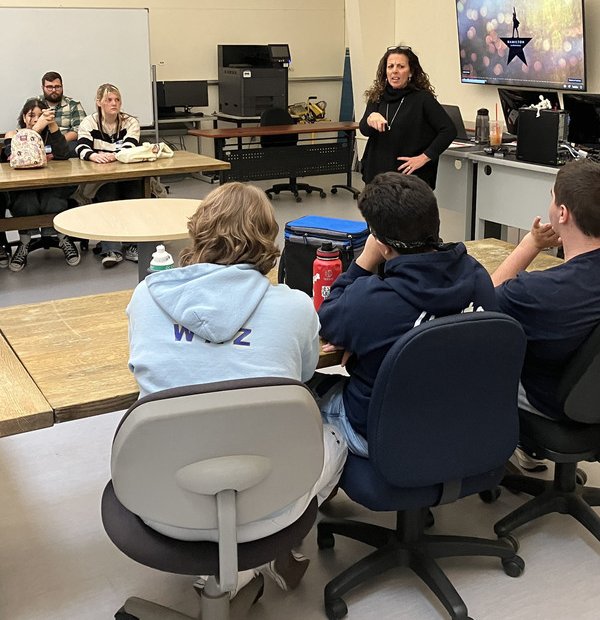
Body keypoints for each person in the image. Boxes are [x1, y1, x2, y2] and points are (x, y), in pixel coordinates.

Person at [127, 181, 347, 591]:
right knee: (335, 435)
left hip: (161, 503)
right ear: (268, 240)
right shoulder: (295, 307)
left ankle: (236, 572)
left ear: (198, 232)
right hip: (272, 506)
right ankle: (258, 558)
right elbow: (300, 378)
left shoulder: (145, 298)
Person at [316, 171, 498, 456]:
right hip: (463, 424)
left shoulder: (370, 301)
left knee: (299, 402)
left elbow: (326, 318)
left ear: (382, 244)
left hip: (385, 433)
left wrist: (364, 262)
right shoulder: (475, 273)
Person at [492, 159, 600, 425]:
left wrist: (530, 243)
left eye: (551, 198)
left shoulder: (539, 292)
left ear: (562, 213)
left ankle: (491, 451)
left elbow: (484, 301)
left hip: (557, 401)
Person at [359, 45, 455, 188]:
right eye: (390, 66)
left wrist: (424, 158)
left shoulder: (423, 99)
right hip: (377, 176)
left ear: (411, 72)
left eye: (401, 66)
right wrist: (369, 119)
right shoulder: (377, 97)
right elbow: (364, 130)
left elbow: (448, 130)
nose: (394, 71)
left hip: (409, 179)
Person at [1, 99, 80, 271]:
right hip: (23, 187)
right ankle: (24, 242)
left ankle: (62, 237)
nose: (36, 119)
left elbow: (64, 154)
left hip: (49, 183)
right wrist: (35, 130)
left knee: (52, 199)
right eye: (31, 115)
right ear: (24, 117)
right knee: (25, 202)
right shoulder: (13, 135)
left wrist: (52, 125)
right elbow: (13, 156)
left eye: (40, 115)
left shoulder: (51, 134)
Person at [75, 84, 141, 268]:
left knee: (135, 196)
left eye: (117, 99)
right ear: (99, 102)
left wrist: (114, 155)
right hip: (101, 176)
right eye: (109, 100)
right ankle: (112, 249)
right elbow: (81, 147)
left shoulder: (130, 122)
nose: (114, 104)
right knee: (107, 197)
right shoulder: (89, 122)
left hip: (128, 174)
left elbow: (131, 145)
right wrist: (93, 155)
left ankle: (135, 245)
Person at [33, 71, 86, 146]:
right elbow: (24, 125)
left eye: (57, 87)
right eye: (49, 87)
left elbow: (80, 129)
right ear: (43, 88)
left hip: (65, 143)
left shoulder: (73, 104)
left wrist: (59, 142)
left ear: (62, 86)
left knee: (76, 146)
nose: (54, 90)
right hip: (37, 143)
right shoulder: (34, 102)